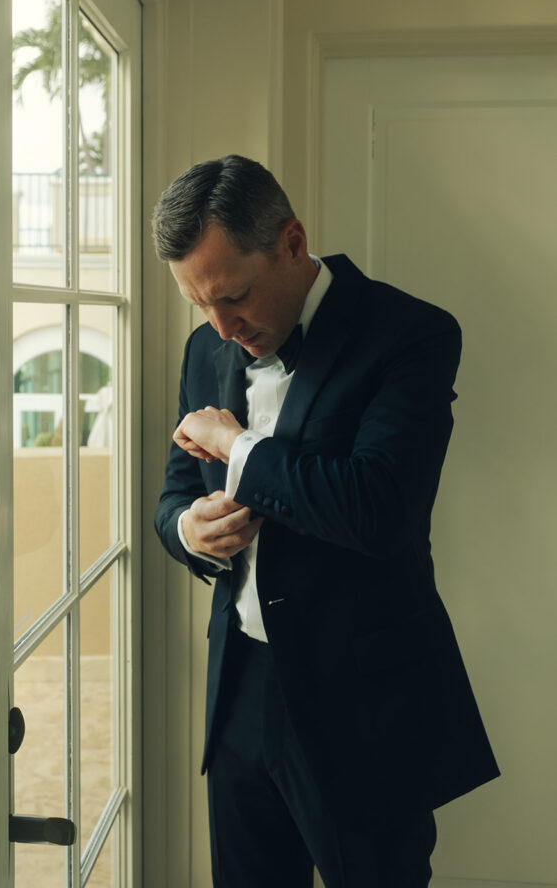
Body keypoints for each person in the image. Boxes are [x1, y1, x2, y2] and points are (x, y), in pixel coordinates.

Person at [153, 155, 499, 888]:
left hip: (364, 703)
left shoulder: (411, 333)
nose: (221, 327)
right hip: (240, 686)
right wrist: (190, 532)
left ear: (290, 241)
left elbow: (379, 513)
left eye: (235, 296)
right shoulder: (205, 347)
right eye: (200, 305)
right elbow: (172, 496)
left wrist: (237, 447)